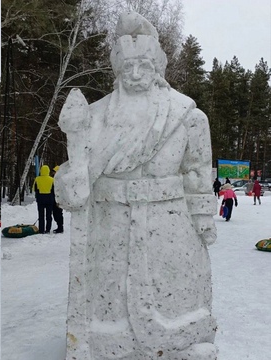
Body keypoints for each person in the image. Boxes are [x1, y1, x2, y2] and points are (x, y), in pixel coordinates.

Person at [55, 12, 217, 359]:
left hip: (170, 224)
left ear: (157, 64)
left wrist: (203, 217)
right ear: (117, 67)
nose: (136, 74)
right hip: (111, 226)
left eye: (144, 64)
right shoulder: (95, 116)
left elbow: (199, 171)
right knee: (113, 300)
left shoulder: (186, 115)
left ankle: (182, 343)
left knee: (174, 292)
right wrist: (72, 184)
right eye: (128, 66)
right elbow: (73, 176)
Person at [33, 165, 55, 234]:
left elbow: (34, 189)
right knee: (49, 215)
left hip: (40, 198)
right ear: (48, 171)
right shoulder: (52, 179)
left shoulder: (37, 179)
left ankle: (41, 230)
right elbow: (54, 190)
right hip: (49, 198)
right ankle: (48, 229)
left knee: (41, 215)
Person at [52, 165, 64, 233]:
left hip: (58, 200)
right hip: (54, 199)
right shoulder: (55, 179)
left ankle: (60, 227)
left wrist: (59, 200)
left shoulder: (60, 180)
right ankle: (59, 227)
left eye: (54, 171)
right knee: (55, 214)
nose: (53, 173)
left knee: (58, 214)